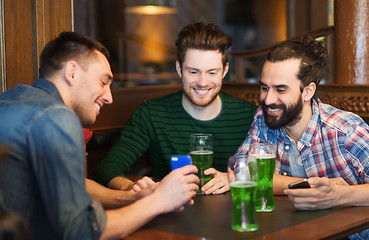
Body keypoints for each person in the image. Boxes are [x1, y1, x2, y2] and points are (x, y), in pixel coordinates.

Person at [0, 31, 199, 240]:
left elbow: (72, 183)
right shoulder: (57, 116)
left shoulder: (9, 100)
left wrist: (134, 197)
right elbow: (82, 232)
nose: (109, 97)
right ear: (72, 72)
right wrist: (159, 200)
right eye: (103, 82)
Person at [93, 22, 257, 195]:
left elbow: (269, 172)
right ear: (179, 69)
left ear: (224, 71)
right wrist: (129, 187)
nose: (202, 82)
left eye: (212, 72)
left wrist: (235, 178)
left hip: (233, 214)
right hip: (172, 213)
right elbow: (107, 167)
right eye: (193, 72)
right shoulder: (152, 113)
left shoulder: (249, 116)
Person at [237, 36, 369, 239]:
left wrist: (339, 195)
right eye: (264, 88)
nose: (268, 99)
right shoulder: (263, 119)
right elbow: (243, 173)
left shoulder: (346, 130)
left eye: (281, 89)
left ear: (308, 91)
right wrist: (310, 185)